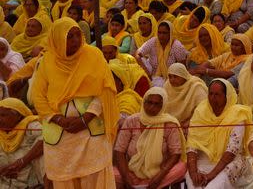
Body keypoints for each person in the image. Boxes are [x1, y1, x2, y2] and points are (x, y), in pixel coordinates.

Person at [30, 17, 119, 188]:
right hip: (60, 134)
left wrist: (85, 118)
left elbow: (105, 90)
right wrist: (58, 119)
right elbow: (38, 96)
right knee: (64, 180)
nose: (76, 40)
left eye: (78, 35)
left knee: (95, 177)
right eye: (69, 37)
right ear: (57, 39)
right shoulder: (47, 61)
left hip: (91, 130)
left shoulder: (94, 55)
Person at [185, 79, 253, 188]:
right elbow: (192, 145)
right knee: (194, 184)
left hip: (230, 160)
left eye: (217, 94)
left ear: (226, 96)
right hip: (205, 157)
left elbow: (232, 151)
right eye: (211, 94)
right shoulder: (201, 111)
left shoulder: (237, 115)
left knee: (214, 186)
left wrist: (211, 175)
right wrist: (193, 172)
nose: (213, 98)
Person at [113, 87, 187, 189]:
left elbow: (176, 153)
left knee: (181, 168)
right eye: (149, 102)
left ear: (163, 105)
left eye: (157, 104)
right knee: (112, 173)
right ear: (144, 102)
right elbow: (119, 150)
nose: (152, 107)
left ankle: (147, 185)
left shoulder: (169, 123)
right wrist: (126, 176)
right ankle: (138, 184)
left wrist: (159, 177)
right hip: (132, 172)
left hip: (159, 172)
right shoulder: (131, 121)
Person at [0, 98, 43, 188]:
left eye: (3, 115)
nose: (0, 119)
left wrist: (22, 162)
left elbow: (46, 138)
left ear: (18, 115)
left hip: (32, 183)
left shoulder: (31, 125)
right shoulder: (1, 132)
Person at [135, 21, 189, 87]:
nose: (161, 36)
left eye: (164, 33)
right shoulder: (154, 41)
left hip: (170, 77)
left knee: (159, 85)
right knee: (140, 62)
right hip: (152, 74)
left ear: (170, 33)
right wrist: (147, 73)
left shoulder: (176, 46)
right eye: (159, 32)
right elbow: (137, 54)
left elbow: (182, 68)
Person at [163, 63, 208, 129]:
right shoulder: (167, 85)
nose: (172, 80)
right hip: (170, 123)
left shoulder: (196, 86)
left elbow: (203, 108)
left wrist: (189, 121)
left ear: (183, 75)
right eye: (170, 76)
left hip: (193, 122)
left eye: (175, 76)